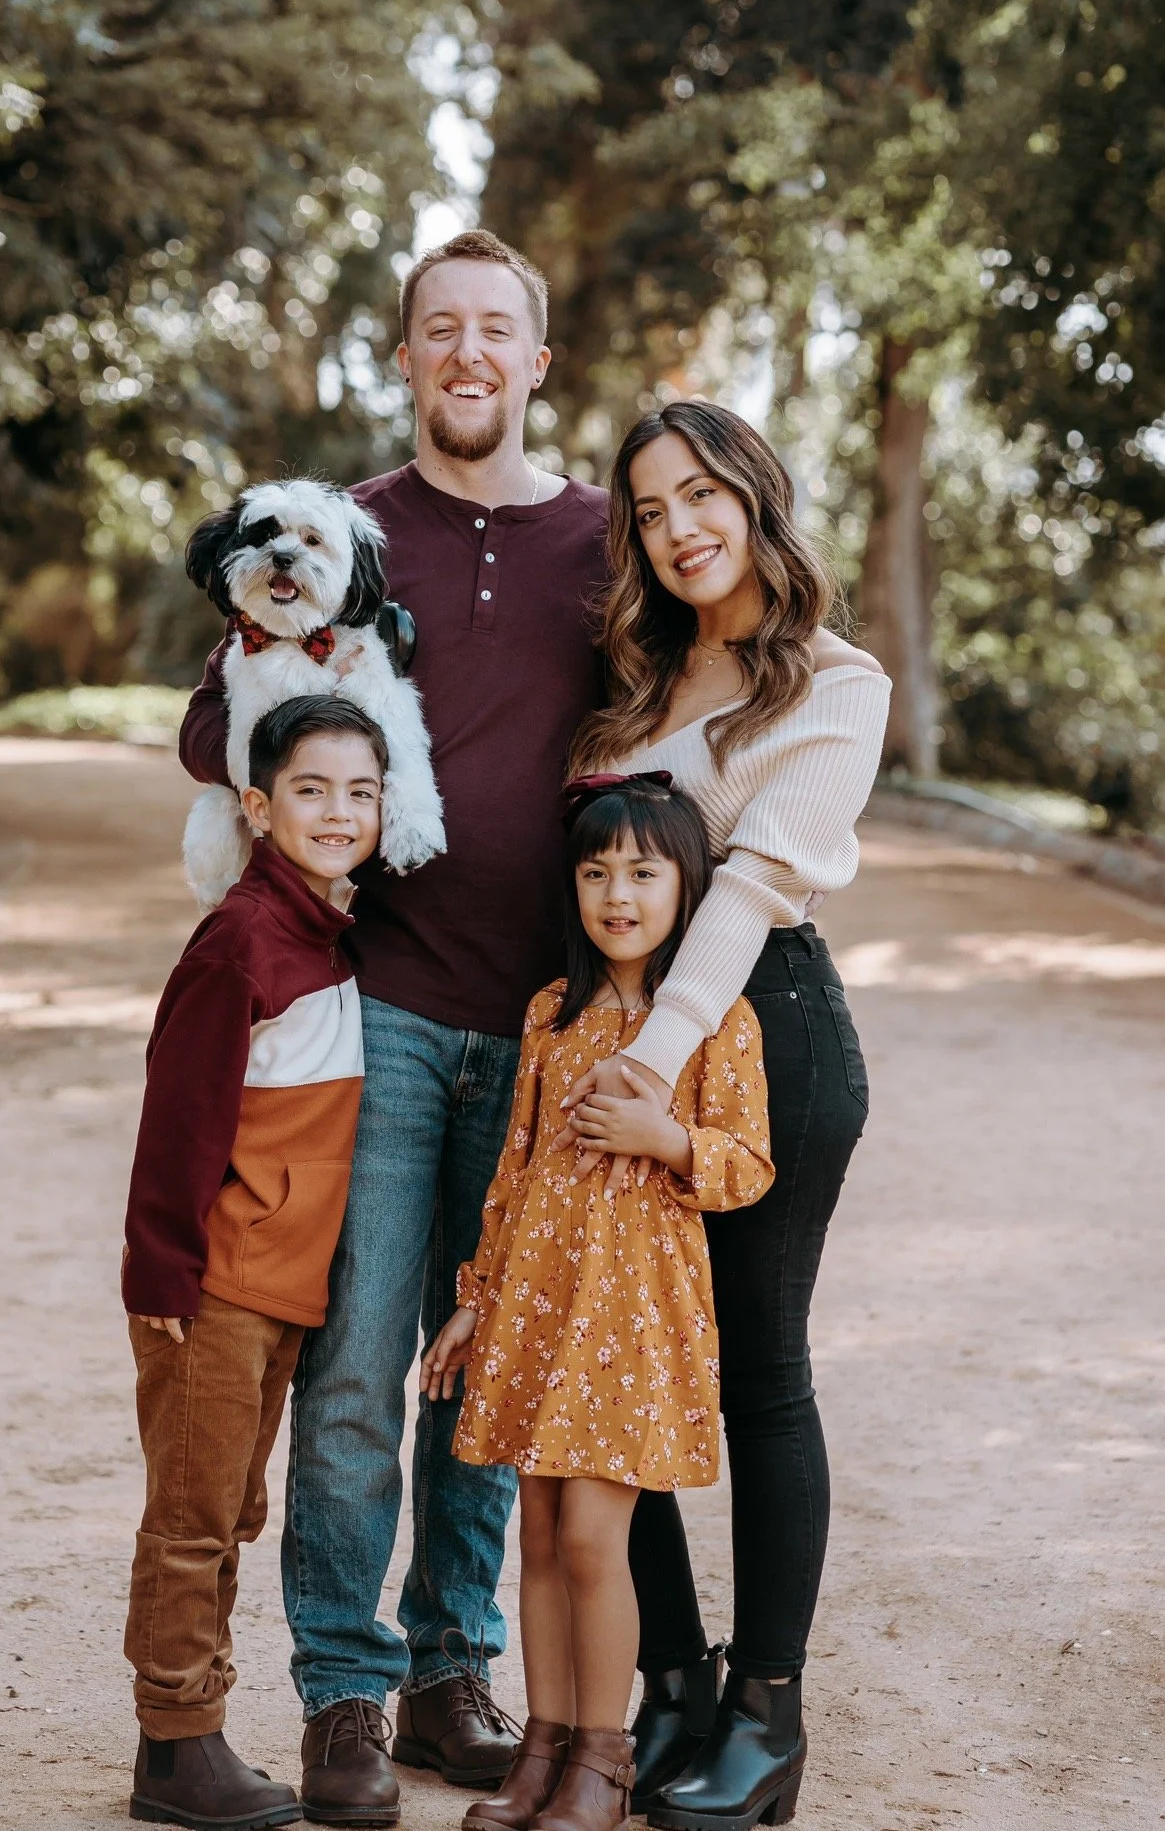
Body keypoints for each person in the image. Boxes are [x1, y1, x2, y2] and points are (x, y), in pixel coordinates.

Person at [178, 230, 610, 1824]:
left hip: (545, 1019)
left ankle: (451, 1669)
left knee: (485, 1372)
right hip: (384, 1011)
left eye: (498, 330)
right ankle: (346, 1697)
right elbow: (209, 725)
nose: (469, 354)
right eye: (442, 329)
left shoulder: (598, 539)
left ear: (536, 361)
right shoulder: (335, 533)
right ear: (410, 354)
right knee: (359, 1368)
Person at [562, 401, 890, 1831]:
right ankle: (674, 1684)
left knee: (757, 1375)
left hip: (762, 1037)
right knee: (614, 1368)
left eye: (703, 493)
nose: (680, 525)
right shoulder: (633, 680)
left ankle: (766, 1718)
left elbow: (752, 889)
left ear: (758, 497)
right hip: (613, 1040)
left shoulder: (832, 679)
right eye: (649, 507)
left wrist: (653, 1060)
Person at [419, 776, 773, 1831]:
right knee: (532, 1537)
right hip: (536, 1301)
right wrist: (477, 1298)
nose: (618, 892)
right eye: (596, 870)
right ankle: (544, 1745)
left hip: (632, 1311)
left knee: (589, 1541)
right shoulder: (549, 1014)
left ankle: (604, 1763)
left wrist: (668, 1139)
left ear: (688, 885)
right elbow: (513, 1167)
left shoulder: (714, 1019)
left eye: (643, 871)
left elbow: (746, 1164)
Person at [121, 695, 387, 1831]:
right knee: (191, 1512)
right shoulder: (242, 938)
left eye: (361, 791)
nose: (338, 811)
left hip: (280, 1282)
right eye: (313, 789)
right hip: (217, 1284)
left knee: (229, 1507)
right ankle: (175, 1748)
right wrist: (161, 1273)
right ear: (257, 802)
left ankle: (193, 1731)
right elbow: (178, 1116)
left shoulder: (329, 931)